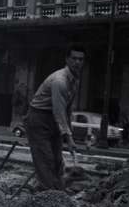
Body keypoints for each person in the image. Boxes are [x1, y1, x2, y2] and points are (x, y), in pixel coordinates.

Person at [25, 45, 85, 191]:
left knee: (57, 160)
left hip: (53, 119)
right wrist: (69, 138)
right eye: (74, 58)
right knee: (46, 160)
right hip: (39, 118)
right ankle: (50, 195)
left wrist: (69, 134)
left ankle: (56, 190)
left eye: (80, 59)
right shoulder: (60, 81)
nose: (77, 62)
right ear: (67, 59)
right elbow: (59, 111)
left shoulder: (75, 80)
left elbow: (67, 110)